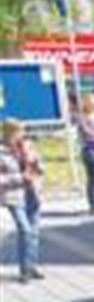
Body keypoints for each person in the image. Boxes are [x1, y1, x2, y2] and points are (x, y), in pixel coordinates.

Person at [1, 120, 44, 282]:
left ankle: (32, 267)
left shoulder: (27, 146)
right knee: (25, 230)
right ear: (9, 133)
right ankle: (24, 270)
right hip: (14, 196)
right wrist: (20, 178)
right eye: (19, 132)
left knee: (34, 231)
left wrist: (36, 165)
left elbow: (41, 167)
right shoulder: (2, 151)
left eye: (23, 132)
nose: (22, 135)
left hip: (33, 192)